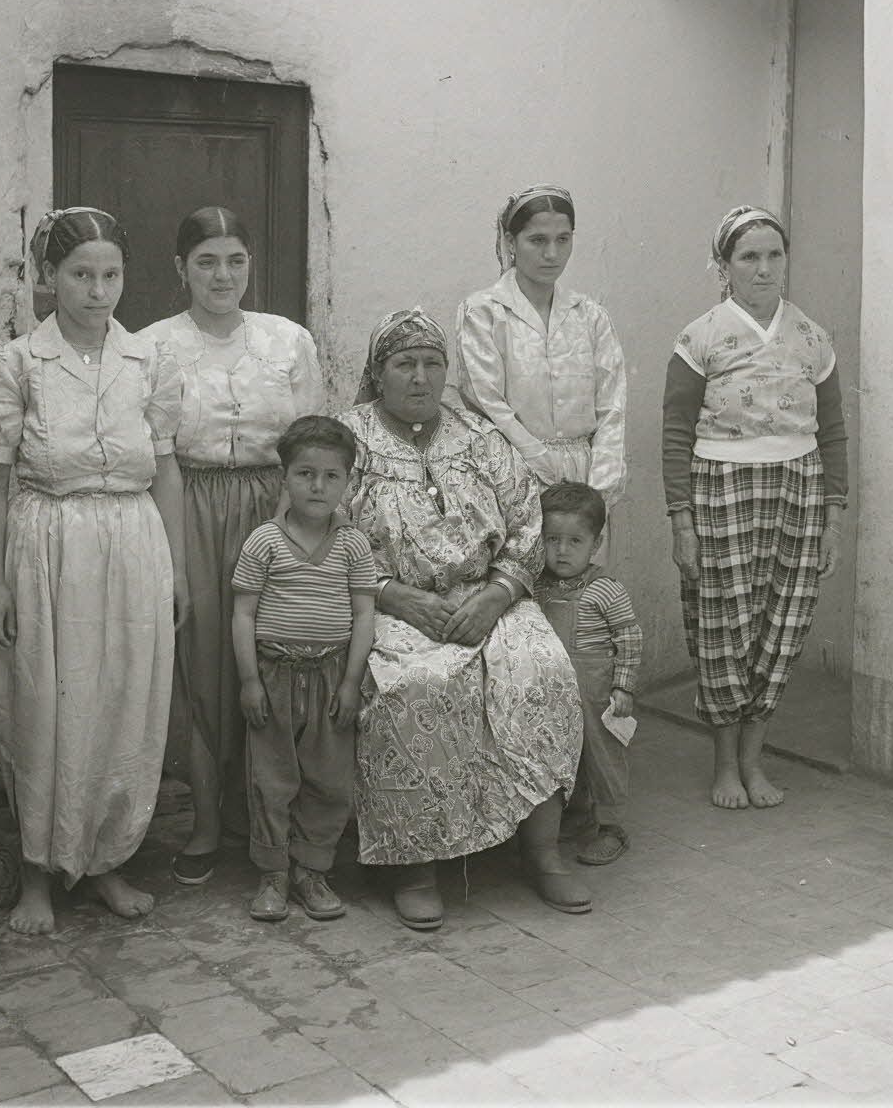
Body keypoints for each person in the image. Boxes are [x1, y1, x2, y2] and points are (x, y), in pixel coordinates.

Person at [0, 207, 188, 934]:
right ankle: (37, 872)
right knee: (43, 708)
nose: (98, 291)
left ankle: (105, 862)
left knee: (123, 705)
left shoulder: (148, 362)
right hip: (48, 551)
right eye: (81, 275)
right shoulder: (15, 364)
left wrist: (177, 571)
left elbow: (166, 471)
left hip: (133, 546)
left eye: (111, 275)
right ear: (49, 276)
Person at [339, 307, 591, 931]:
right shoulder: (350, 441)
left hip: (488, 597)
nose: (420, 377)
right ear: (378, 373)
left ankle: (542, 850)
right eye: (404, 364)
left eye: (432, 364)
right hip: (389, 603)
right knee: (415, 685)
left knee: (540, 671)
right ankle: (416, 865)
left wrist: (499, 594)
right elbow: (325, 533)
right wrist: (395, 595)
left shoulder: (479, 437)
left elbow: (528, 520)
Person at [137, 206, 324, 886]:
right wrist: (176, 558)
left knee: (276, 658)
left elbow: (310, 441)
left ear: (251, 264)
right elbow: (157, 455)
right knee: (204, 664)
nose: (222, 275)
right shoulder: (152, 347)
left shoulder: (288, 341)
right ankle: (208, 821)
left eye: (235, 260)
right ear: (181, 268)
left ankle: (271, 819)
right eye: (206, 261)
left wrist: (290, 529)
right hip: (189, 506)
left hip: (277, 508)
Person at [662, 205, 848, 810]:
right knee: (724, 627)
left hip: (799, 491)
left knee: (782, 625)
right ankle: (724, 765)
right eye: (749, 257)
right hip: (721, 491)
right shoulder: (700, 337)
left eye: (774, 255)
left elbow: (833, 431)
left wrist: (832, 520)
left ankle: (753, 761)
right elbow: (675, 431)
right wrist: (682, 522)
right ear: (724, 266)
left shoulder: (812, 337)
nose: (764, 269)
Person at [231, 416, 377, 921]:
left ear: (347, 482)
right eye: (305, 474)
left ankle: (311, 872)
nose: (318, 486)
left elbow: (364, 614)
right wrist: (249, 681)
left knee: (329, 779)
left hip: (331, 678)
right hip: (273, 676)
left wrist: (352, 682)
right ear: (285, 477)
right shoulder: (265, 542)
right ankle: (273, 874)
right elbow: (243, 613)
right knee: (271, 779)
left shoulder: (354, 544)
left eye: (331, 476)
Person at [455, 185, 627, 509]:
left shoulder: (590, 316)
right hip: (511, 474)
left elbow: (612, 407)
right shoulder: (484, 313)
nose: (552, 254)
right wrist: (544, 465)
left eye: (563, 239)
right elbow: (488, 403)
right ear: (511, 242)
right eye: (537, 240)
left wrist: (599, 490)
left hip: (586, 479)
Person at [536, 482, 642, 865]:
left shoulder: (605, 590)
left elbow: (629, 637)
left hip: (596, 694)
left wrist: (623, 687)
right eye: (552, 539)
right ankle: (577, 816)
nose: (562, 551)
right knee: (566, 754)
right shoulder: (538, 587)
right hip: (554, 692)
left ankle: (611, 827)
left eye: (575, 541)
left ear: (595, 544)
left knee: (602, 758)